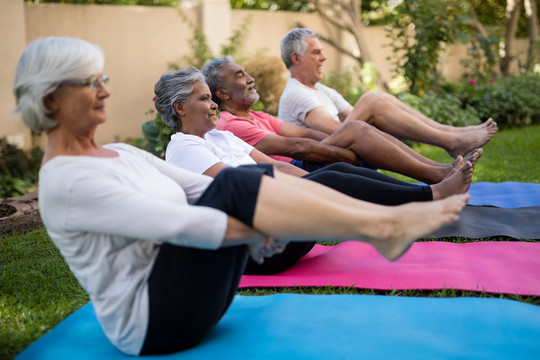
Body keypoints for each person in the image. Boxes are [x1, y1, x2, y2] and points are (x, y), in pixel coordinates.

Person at [13, 37, 468, 356]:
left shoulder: (119, 152)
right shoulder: (67, 180)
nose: (105, 89)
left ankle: (389, 220)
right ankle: (386, 225)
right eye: (90, 82)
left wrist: (271, 212)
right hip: (153, 324)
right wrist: (261, 227)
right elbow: (180, 224)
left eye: (103, 78)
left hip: (200, 295)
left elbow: (197, 189)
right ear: (50, 99)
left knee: (238, 179)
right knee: (234, 182)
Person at [155, 67, 474, 274]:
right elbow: (239, 191)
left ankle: (424, 197)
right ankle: (430, 195)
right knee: (331, 178)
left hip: (281, 224)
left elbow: (276, 166)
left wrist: (320, 195)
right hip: (256, 247)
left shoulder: (221, 136)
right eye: (204, 99)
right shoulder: (183, 147)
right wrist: (319, 192)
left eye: (212, 98)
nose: (213, 105)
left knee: (332, 175)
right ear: (180, 108)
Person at [202, 56, 482, 184]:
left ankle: (440, 166)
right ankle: (438, 170)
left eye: (246, 72)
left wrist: (355, 142)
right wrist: (350, 149)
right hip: (296, 173)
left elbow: (305, 135)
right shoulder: (232, 123)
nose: (250, 78)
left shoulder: (256, 115)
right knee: (361, 124)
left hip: (308, 157)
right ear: (223, 93)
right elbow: (295, 148)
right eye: (240, 75)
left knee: (362, 126)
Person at [278, 27, 498, 159]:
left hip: (340, 147)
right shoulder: (296, 93)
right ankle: (451, 141)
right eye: (316, 53)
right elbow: (336, 132)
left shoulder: (322, 90)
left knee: (377, 99)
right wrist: (372, 112)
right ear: (296, 59)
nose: (324, 58)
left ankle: (452, 134)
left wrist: (380, 115)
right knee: (372, 99)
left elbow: (356, 117)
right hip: (321, 156)